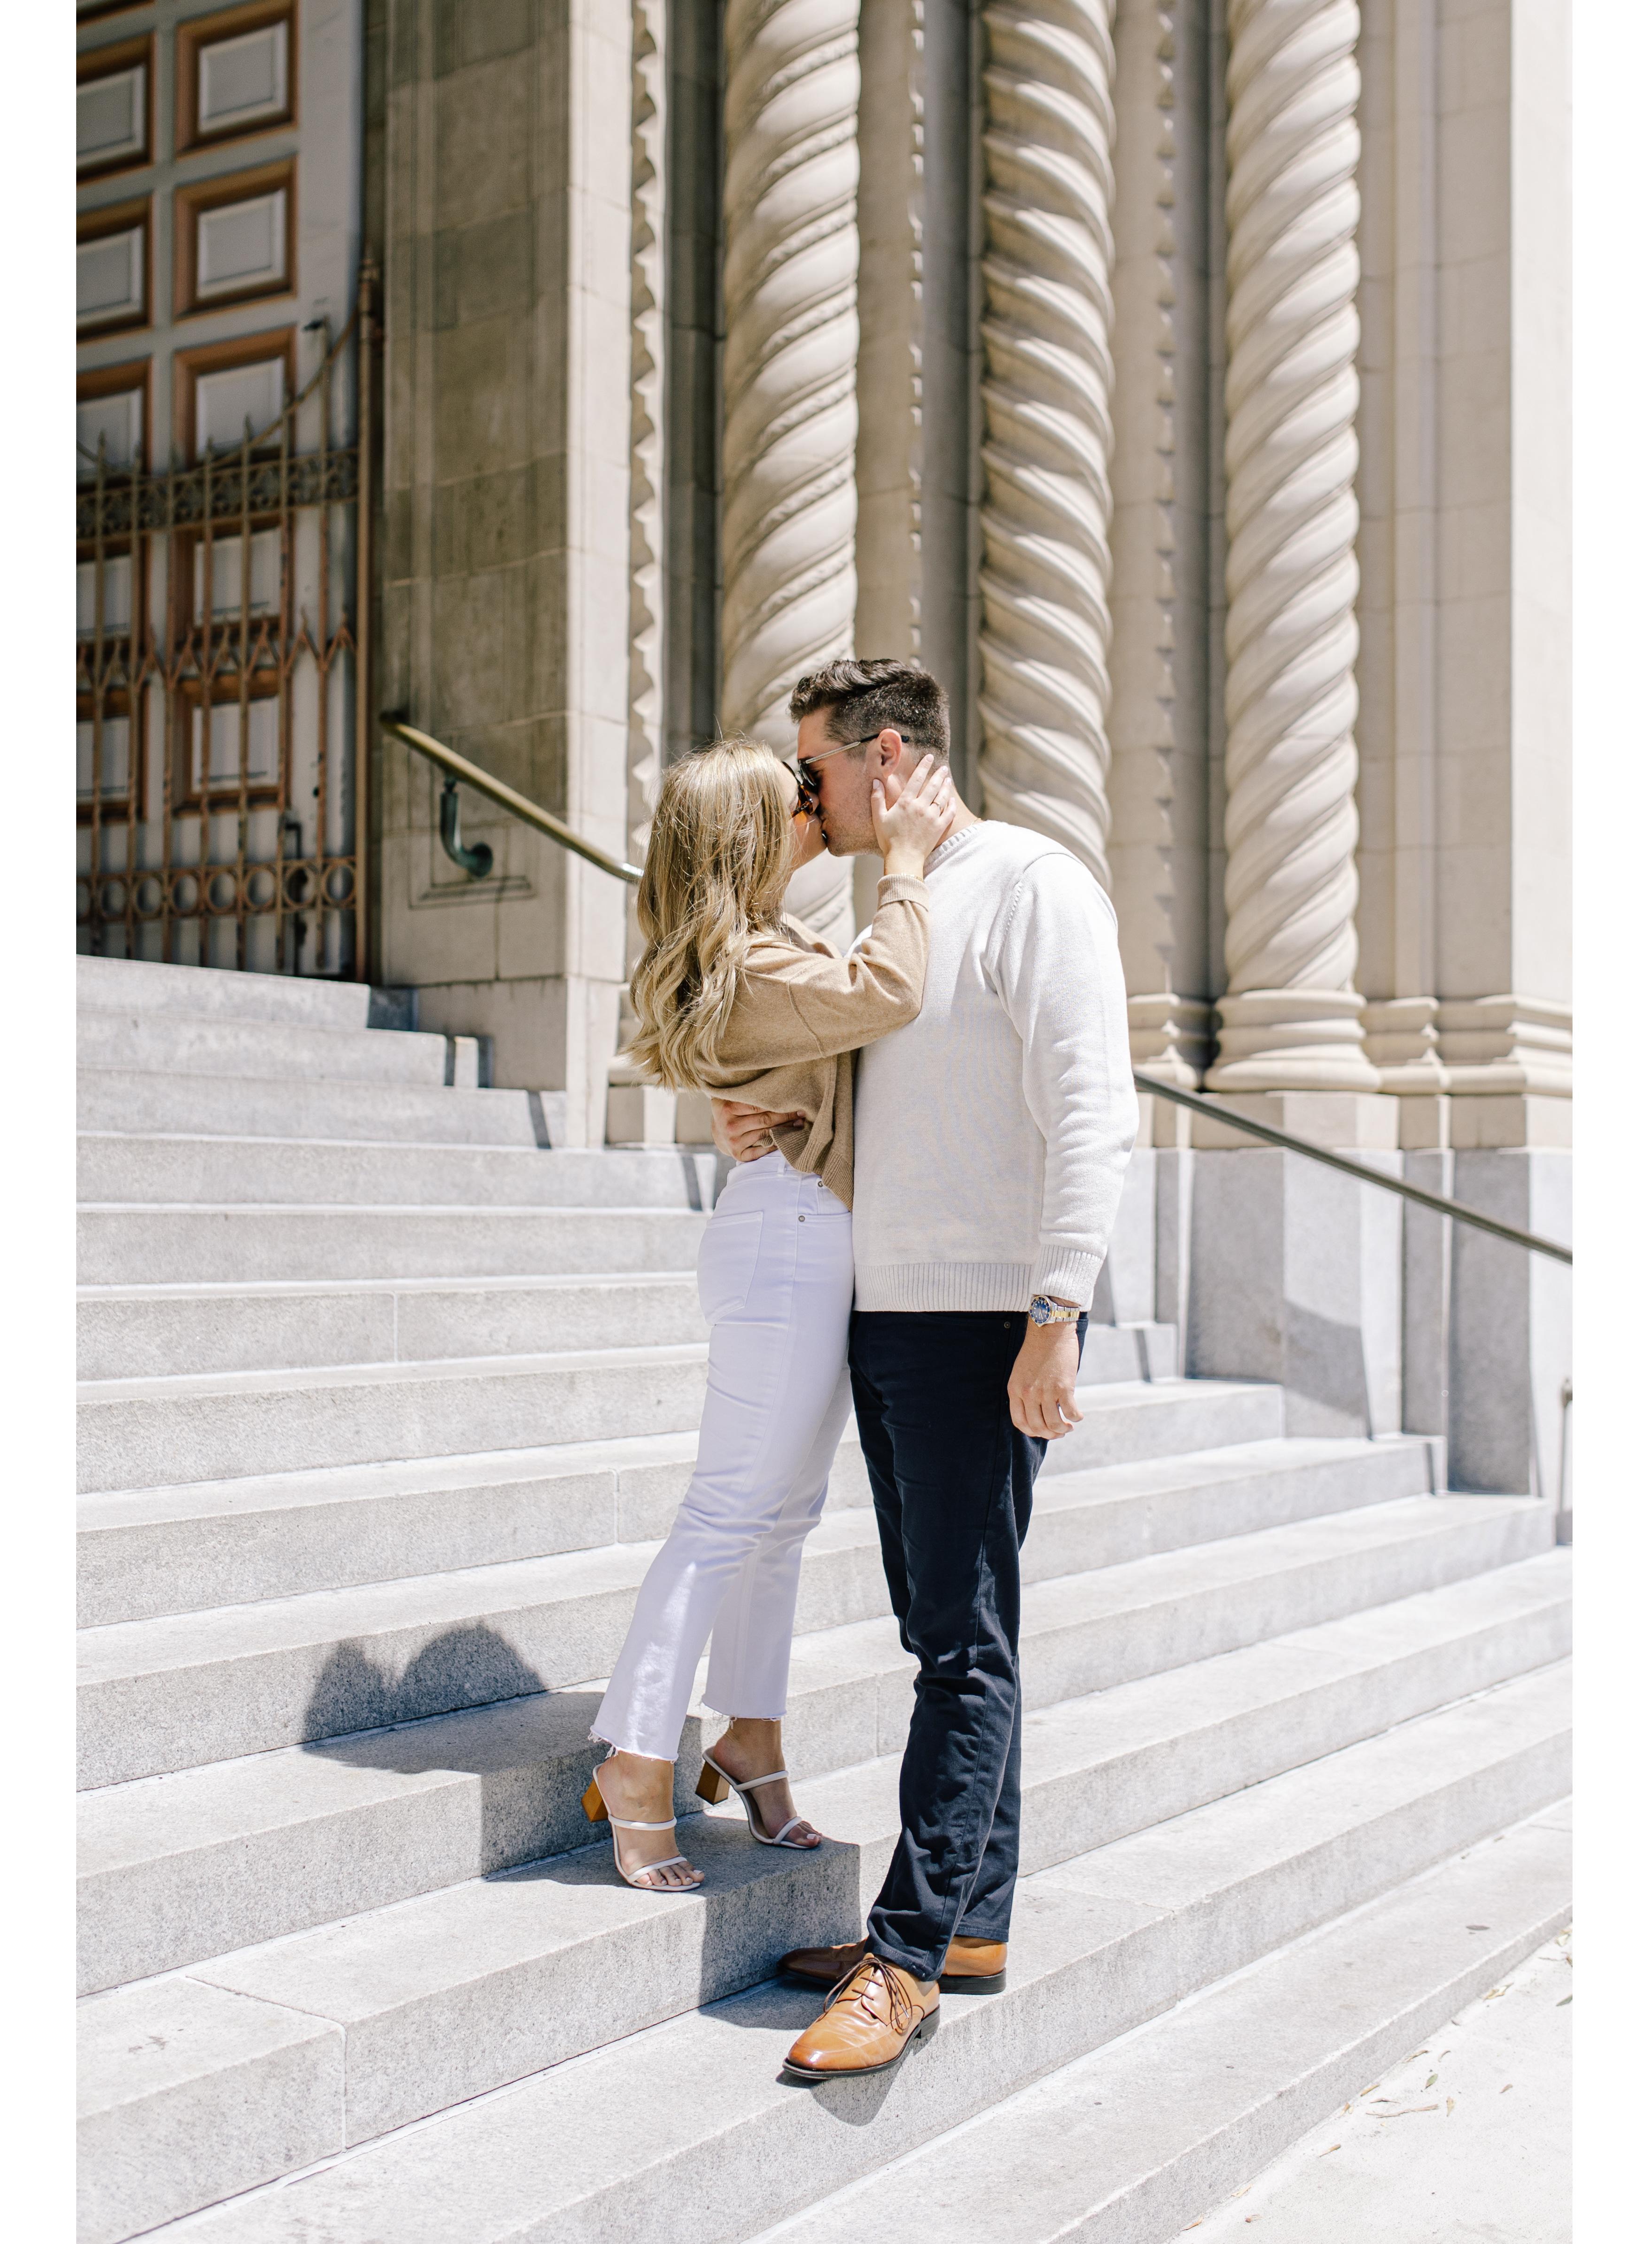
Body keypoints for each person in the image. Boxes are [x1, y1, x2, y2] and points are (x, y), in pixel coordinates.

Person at [713, 659, 1137, 2079]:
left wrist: (1057, 1307)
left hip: (979, 1324)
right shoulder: (877, 908)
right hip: (880, 1315)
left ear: (883, 759)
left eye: (815, 774)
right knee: (946, 1635)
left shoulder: (1034, 885)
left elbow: (1093, 1105)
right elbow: (866, 1086)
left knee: (961, 1648)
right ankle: (969, 1925)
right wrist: (767, 1112)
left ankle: (901, 1959)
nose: (803, 799)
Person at [582, 734, 961, 1889]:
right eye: (795, 796)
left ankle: (750, 1732)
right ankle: (639, 1755)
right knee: (729, 1510)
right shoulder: (753, 962)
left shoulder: (765, 949)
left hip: (807, 1236)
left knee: (782, 1515)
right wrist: (902, 863)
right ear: (751, 834)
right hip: (786, 1240)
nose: (816, 807)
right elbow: (888, 988)